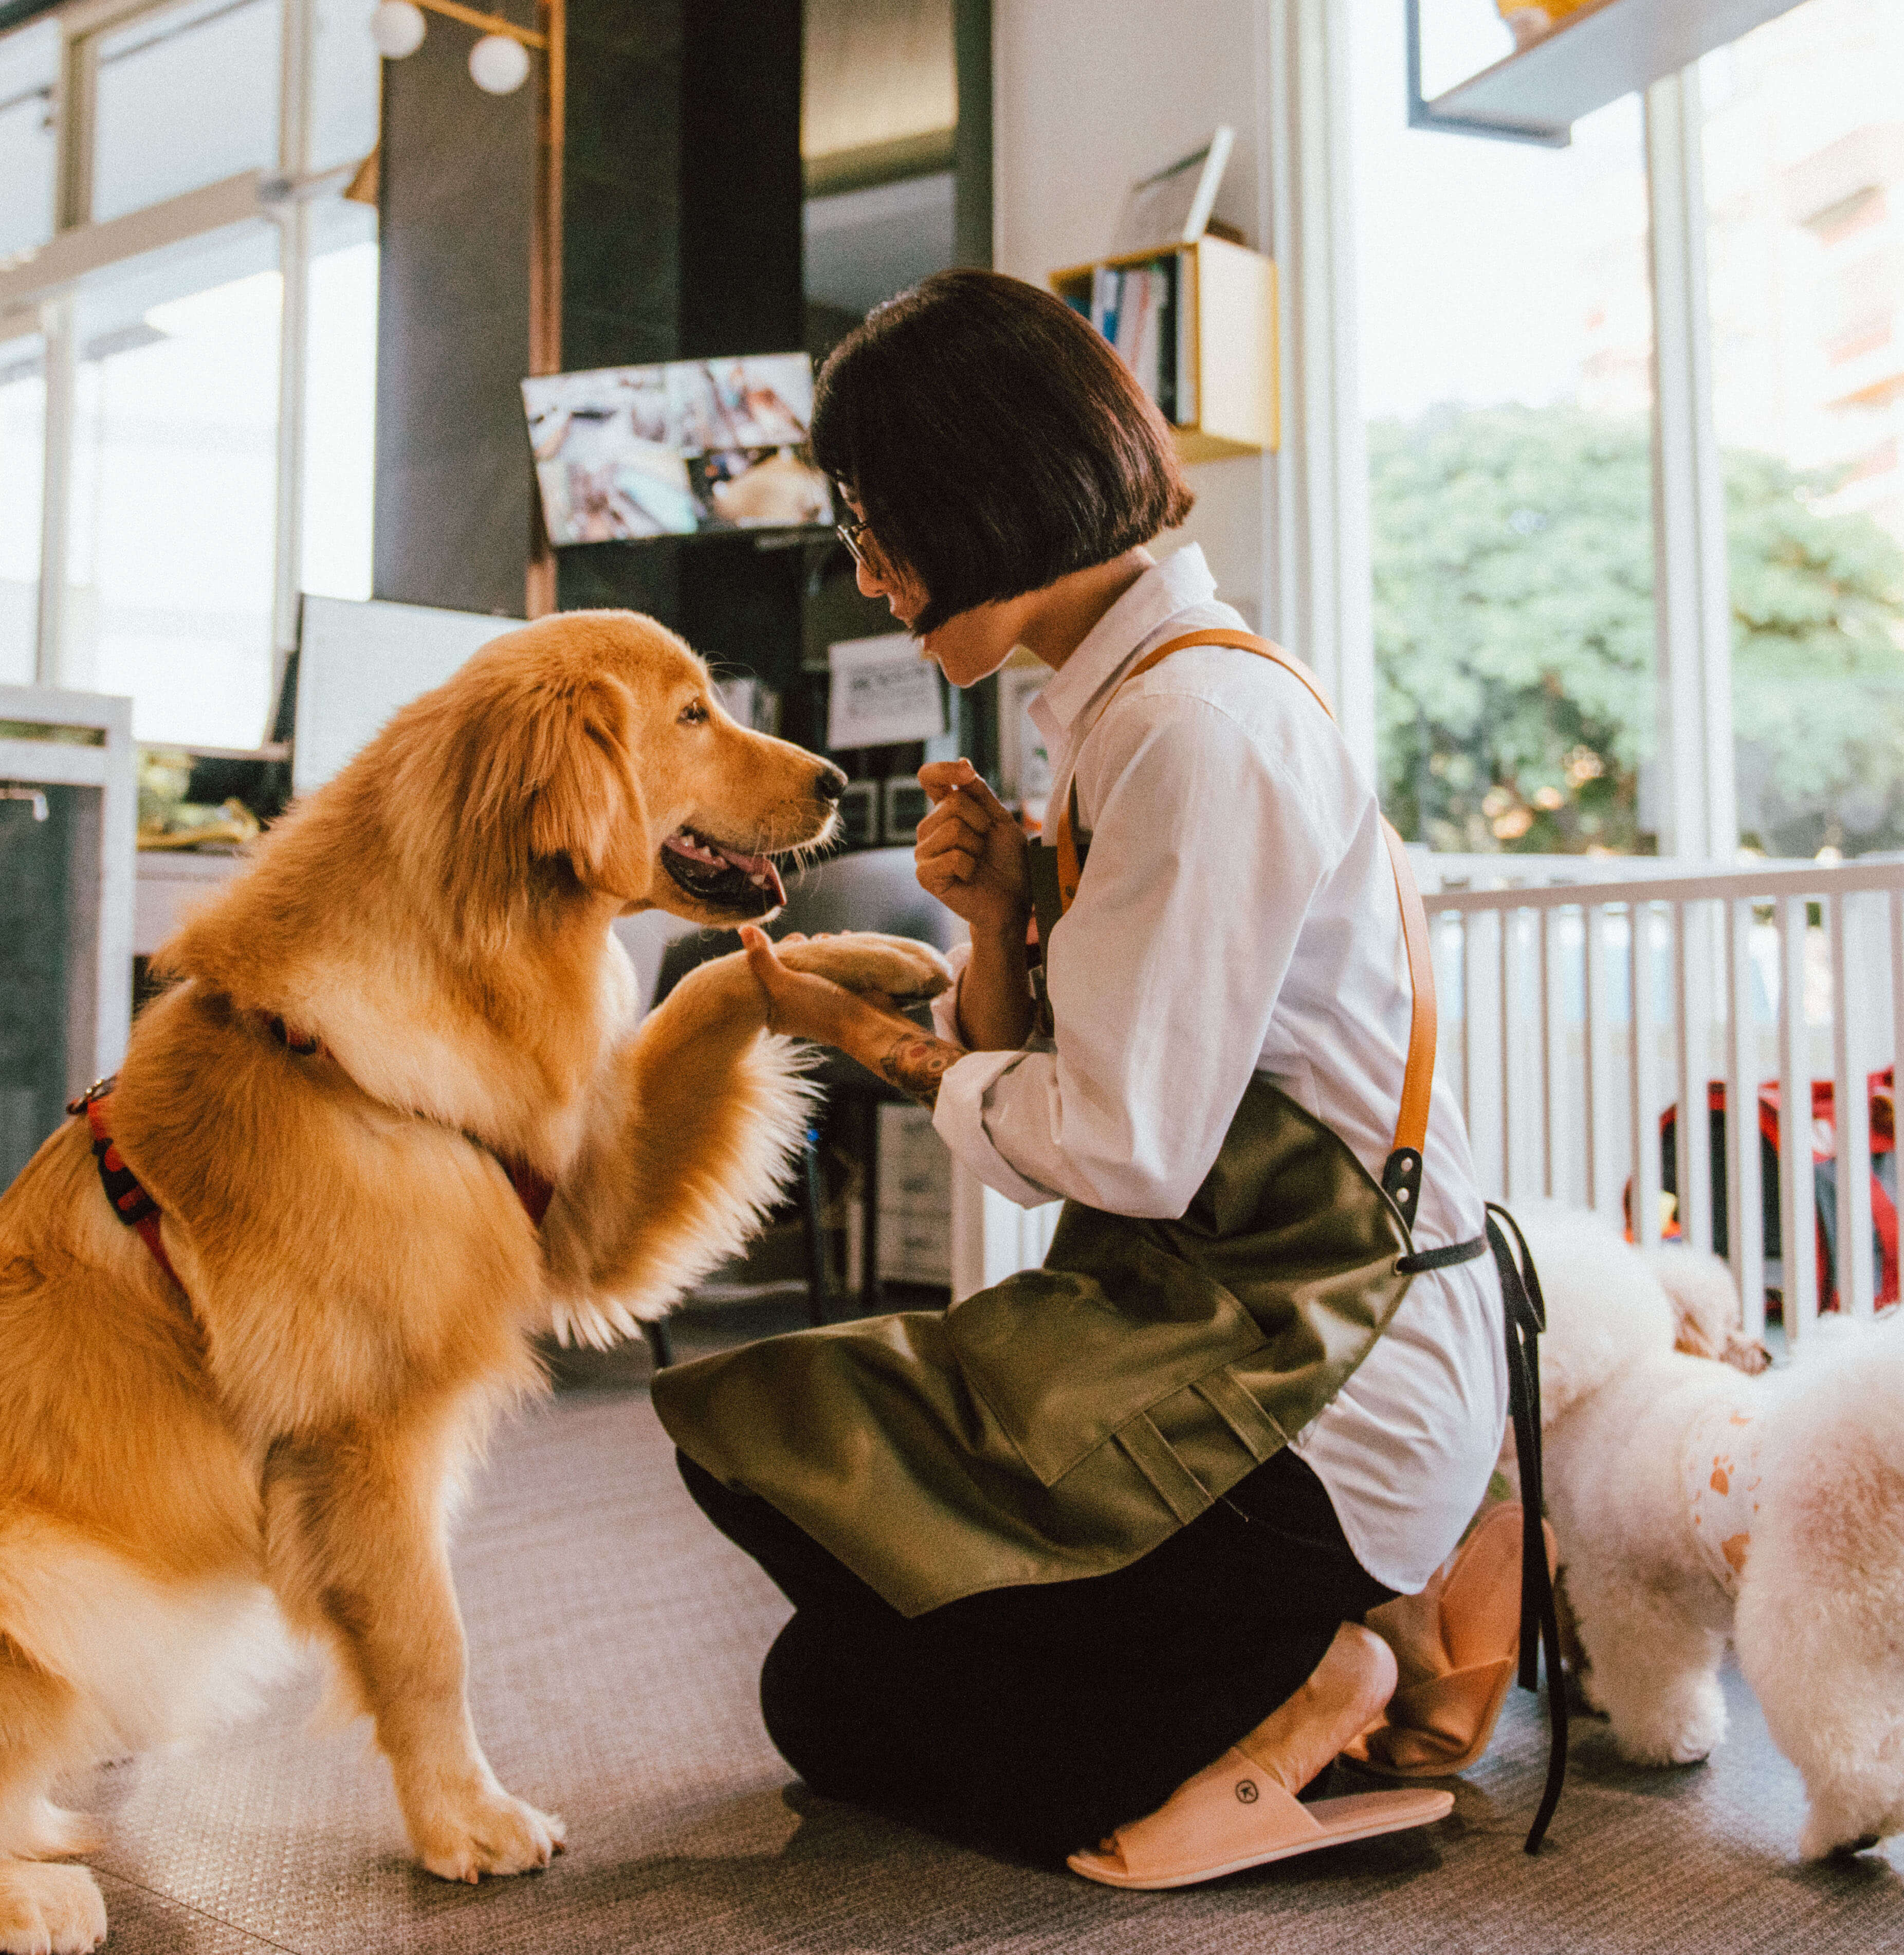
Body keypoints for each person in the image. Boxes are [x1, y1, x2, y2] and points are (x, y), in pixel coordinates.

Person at [652, 269, 1533, 1887]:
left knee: (835, 1662)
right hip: (1210, 1329)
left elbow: (1116, 1147)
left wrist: (890, 1044)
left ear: (990, 492)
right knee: (810, 1648)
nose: (868, 573)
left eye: (881, 520)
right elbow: (1058, 1122)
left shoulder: (1197, 728)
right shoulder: (1130, 711)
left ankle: (1329, 1666)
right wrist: (992, 923)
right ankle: (1303, 1655)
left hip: (1318, 1380)